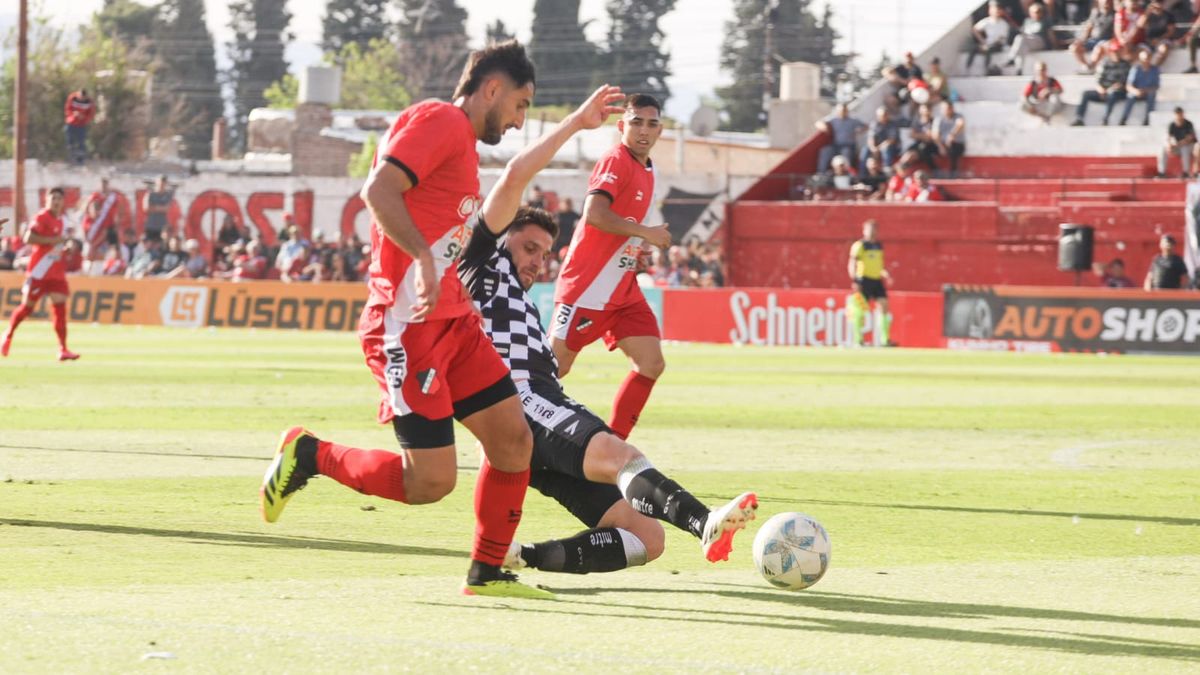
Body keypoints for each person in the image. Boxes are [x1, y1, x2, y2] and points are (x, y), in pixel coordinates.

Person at [258, 40, 550, 599]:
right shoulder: (440, 120)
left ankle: (487, 572)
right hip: (407, 324)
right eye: (520, 105)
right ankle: (311, 454)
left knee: (513, 441)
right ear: (492, 88)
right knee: (430, 482)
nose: (518, 121)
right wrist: (420, 257)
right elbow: (379, 190)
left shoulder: (461, 141)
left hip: (455, 321)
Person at [456, 86, 758, 576]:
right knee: (620, 454)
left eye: (543, 253)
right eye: (528, 248)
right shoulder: (484, 265)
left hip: (532, 415)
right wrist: (576, 122)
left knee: (648, 537)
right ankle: (705, 523)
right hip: (522, 401)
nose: (537, 261)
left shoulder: (525, 302)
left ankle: (521, 557)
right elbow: (515, 176)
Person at [551, 93, 672, 442]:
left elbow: (623, 223)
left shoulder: (648, 169)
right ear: (622, 126)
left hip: (622, 289)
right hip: (587, 288)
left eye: (651, 123)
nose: (643, 130)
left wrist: (636, 249)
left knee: (651, 363)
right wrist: (644, 232)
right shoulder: (615, 160)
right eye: (636, 122)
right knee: (551, 371)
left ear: (660, 130)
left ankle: (613, 448)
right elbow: (596, 214)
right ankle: (506, 438)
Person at [1, 188, 80, 361]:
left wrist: (64, 249)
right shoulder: (42, 217)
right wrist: (54, 241)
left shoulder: (61, 220)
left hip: (56, 271)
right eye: (53, 198)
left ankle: (63, 348)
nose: (56, 201)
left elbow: (55, 245)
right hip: (39, 271)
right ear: (47, 200)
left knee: (60, 308)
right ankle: (7, 335)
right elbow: (28, 238)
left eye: (59, 198)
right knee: (26, 308)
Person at [847, 219, 894, 347]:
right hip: (863, 280)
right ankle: (858, 340)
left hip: (876, 280)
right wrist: (854, 280)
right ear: (864, 231)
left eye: (874, 229)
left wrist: (885, 274)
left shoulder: (878, 245)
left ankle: (885, 340)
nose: (872, 232)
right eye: (869, 229)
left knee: (884, 305)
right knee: (860, 310)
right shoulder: (860, 245)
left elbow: (878, 264)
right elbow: (852, 262)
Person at [1071, 44, 1131, 126]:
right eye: (1114, 52)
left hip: (1117, 92)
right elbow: (1099, 79)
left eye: (1118, 51)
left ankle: (1105, 118)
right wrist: (1101, 89)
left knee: (1113, 93)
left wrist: (1113, 88)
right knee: (1086, 94)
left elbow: (1125, 82)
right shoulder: (1104, 63)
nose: (1116, 53)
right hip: (1103, 91)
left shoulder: (1126, 65)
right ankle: (1079, 118)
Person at [1005, 2, 1060, 75]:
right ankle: (1019, 69)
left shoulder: (1045, 21)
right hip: (1028, 41)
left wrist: (1055, 46)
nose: (1036, 14)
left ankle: (1011, 58)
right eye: (1034, 12)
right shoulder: (1027, 21)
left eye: (1038, 12)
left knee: (1021, 39)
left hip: (1040, 41)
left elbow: (1051, 34)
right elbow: (1023, 32)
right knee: (1022, 45)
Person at [81, 177, 122, 272]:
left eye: (105, 184)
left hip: (108, 226)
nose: (104, 187)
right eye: (102, 185)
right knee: (90, 254)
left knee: (114, 250)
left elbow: (119, 209)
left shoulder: (113, 197)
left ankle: (115, 267)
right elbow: (87, 205)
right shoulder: (95, 196)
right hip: (98, 227)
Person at [815, 103, 867, 173]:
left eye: (844, 110)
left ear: (847, 111)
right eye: (840, 111)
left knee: (846, 154)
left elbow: (866, 126)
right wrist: (824, 127)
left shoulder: (853, 120)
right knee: (825, 151)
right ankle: (821, 174)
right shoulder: (834, 120)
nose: (842, 112)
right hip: (836, 145)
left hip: (848, 146)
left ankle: (850, 174)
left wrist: (859, 131)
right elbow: (818, 122)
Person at [967, 2, 1014, 76]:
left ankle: (986, 69)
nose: (996, 12)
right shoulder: (987, 21)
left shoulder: (1004, 24)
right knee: (973, 48)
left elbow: (1001, 39)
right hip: (987, 44)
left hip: (998, 45)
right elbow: (974, 29)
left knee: (988, 50)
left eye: (998, 10)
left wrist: (988, 45)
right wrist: (982, 41)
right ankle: (968, 68)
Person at [1073, 0, 1117, 71]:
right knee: (1075, 47)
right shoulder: (1095, 13)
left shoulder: (1116, 14)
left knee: (1099, 47)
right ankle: (1085, 66)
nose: (1106, 2)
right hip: (1092, 40)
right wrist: (1082, 40)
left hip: (1106, 41)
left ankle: (1092, 67)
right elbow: (1089, 27)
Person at [1120, 48, 1159, 126]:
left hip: (1148, 92)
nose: (1145, 61)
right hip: (1136, 92)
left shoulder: (1155, 70)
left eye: (1147, 58)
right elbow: (1129, 85)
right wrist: (1136, 91)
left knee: (1152, 95)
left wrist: (1145, 91)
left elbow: (1156, 86)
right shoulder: (1135, 69)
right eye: (1143, 59)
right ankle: (1124, 119)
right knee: (1130, 96)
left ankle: (1148, 119)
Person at [860, 106, 901, 173]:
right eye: (880, 116)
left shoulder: (893, 124)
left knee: (886, 149)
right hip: (877, 146)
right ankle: (862, 173)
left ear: (887, 115)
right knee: (865, 150)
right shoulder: (874, 124)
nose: (882, 117)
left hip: (891, 147)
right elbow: (871, 138)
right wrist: (873, 148)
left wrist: (879, 148)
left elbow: (892, 140)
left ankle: (886, 171)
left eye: (884, 115)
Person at [1158, 107, 1196, 178]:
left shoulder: (1188, 124)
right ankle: (1161, 172)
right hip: (1177, 147)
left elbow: (1189, 139)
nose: (1179, 116)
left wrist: (1177, 145)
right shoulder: (1172, 125)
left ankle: (1186, 172)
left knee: (1185, 148)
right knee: (1163, 149)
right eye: (1177, 114)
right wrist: (1169, 145)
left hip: (1188, 147)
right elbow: (1168, 136)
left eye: (1180, 114)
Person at [932, 100, 967, 176]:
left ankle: (953, 172)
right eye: (944, 108)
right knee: (925, 149)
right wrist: (941, 146)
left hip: (957, 144)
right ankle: (935, 170)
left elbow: (960, 124)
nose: (946, 110)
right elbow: (935, 134)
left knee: (953, 149)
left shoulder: (958, 116)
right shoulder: (939, 119)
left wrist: (952, 135)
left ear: (952, 108)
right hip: (942, 144)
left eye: (948, 108)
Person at [63, 89, 94, 165]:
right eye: (80, 97)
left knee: (81, 143)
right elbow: (67, 109)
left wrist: (83, 118)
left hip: (81, 125)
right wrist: (73, 114)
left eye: (83, 98)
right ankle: (70, 159)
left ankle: (80, 161)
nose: (81, 99)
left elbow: (90, 114)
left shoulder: (89, 102)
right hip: (71, 123)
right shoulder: (72, 98)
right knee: (70, 142)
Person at [143, 175, 175, 242]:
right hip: (151, 225)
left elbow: (167, 209)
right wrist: (161, 208)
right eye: (160, 182)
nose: (161, 185)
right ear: (156, 182)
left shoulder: (168, 195)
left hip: (163, 227)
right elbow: (146, 208)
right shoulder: (150, 194)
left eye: (163, 183)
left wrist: (154, 207)